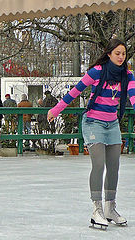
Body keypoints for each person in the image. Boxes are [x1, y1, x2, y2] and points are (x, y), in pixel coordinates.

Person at [47, 39, 134, 229]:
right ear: (109, 53)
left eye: (123, 54)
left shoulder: (128, 76)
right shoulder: (97, 71)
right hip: (93, 123)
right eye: (117, 53)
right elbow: (75, 92)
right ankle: (97, 209)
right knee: (99, 163)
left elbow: (134, 97)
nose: (121, 57)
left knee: (114, 166)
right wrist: (56, 110)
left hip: (112, 124)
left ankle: (110, 208)